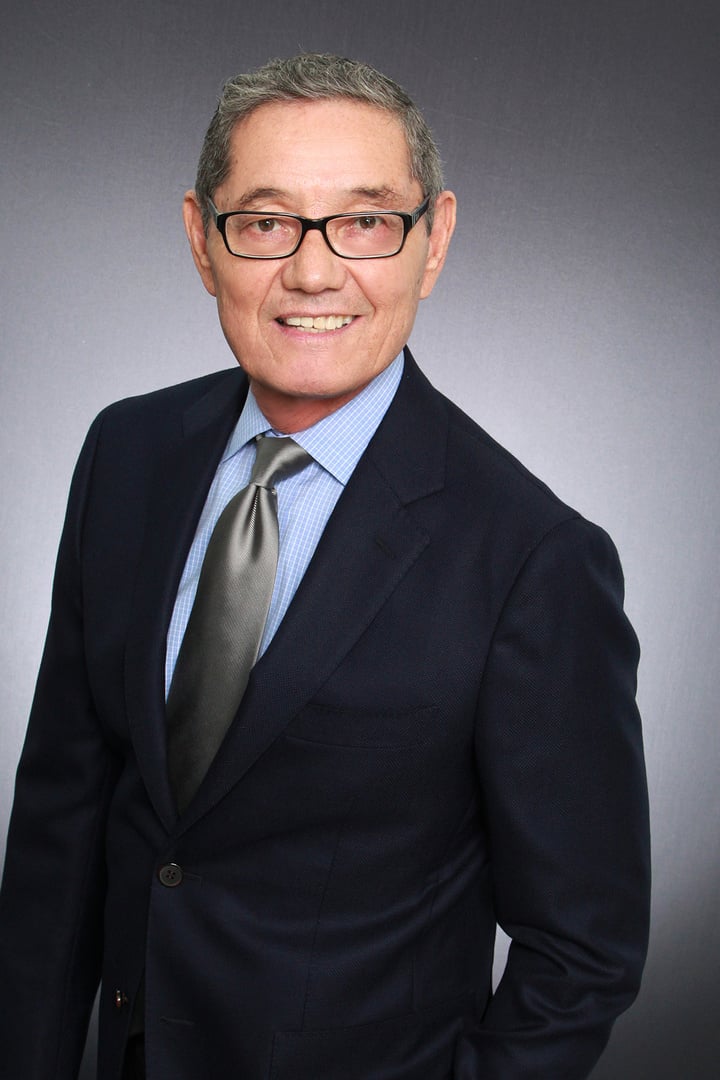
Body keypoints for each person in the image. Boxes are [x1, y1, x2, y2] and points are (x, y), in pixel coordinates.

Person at [0, 53, 650, 1080]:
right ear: (201, 240)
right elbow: (60, 828)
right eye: (266, 223)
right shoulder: (127, 454)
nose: (313, 273)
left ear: (433, 241)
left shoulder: (534, 558)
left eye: (366, 221)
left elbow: (584, 953)